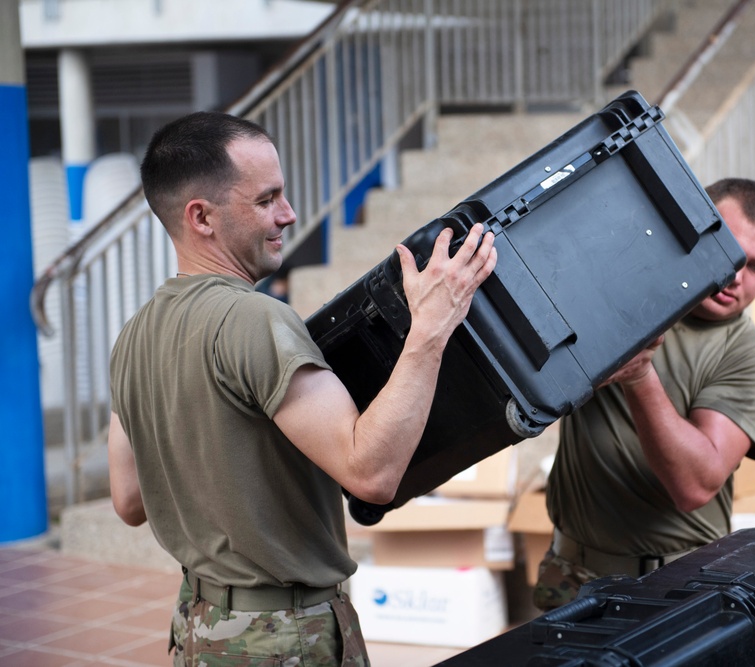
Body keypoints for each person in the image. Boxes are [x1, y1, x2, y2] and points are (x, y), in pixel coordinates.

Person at [107, 111, 497, 665]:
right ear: (201, 217)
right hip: (282, 637)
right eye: (266, 199)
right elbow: (372, 473)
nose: (288, 215)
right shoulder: (255, 320)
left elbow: (127, 501)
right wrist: (431, 328)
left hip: (200, 630)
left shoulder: (133, 337)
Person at [533, 177, 755, 611]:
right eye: (730, 250)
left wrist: (638, 376)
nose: (737, 277)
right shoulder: (616, 293)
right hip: (569, 573)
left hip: (670, 590)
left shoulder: (747, 358)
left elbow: (695, 485)